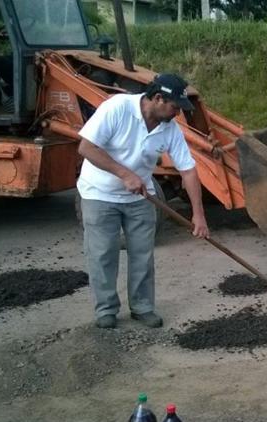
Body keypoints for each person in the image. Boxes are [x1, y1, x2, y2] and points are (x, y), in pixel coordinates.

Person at [77, 73, 209, 329]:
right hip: (99, 194)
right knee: (103, 254)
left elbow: (189, 171)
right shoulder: (117, 108)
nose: (177, 114)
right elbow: (86, 148)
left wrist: (199, 214)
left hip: (141, 198)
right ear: (158, 98)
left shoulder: (169, 129)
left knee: (142, 255)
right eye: (175, 107)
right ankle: (106, 309)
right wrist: (125, 174)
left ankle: (142, 307)